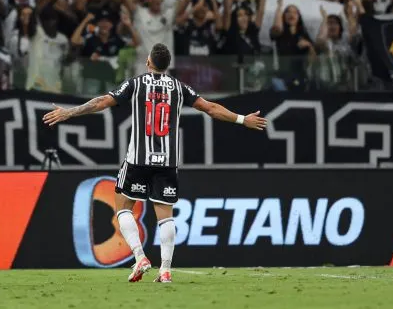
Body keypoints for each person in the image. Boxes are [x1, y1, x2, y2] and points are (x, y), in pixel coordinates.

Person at [43, 43, 268, 284]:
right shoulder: (180, 88)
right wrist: (242, 119)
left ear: (149, 62)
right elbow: (211, 109)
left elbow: (100, 103)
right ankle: (166, 271)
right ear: (167, 64)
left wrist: (69, 113)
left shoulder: (136, 83)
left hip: (138, 159)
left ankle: (140, 257)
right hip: (167, 162)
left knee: (123, 209)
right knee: (166, 217)